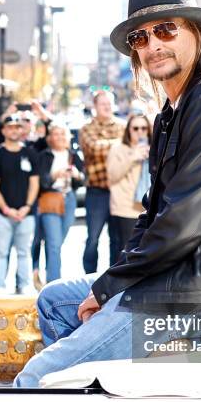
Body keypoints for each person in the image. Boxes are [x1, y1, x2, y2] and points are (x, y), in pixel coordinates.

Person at [14, 0, 201, 388]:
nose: (153, 44)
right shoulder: (174, 110)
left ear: (196, 31)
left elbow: (183, 222)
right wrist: (110, 284)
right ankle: (89, 395)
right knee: (54, 300)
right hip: (176, 280)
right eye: (140, 37)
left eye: (166, 29)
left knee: (37, 377)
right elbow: (152, 216)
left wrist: (107, 291)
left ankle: (72, 387)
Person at [0, 115, 39, 294]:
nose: (14, 130)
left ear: (22, 130)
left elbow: (34, 183)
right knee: (0, 251)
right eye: (10, 127)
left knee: (24, 251)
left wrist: (27, 206)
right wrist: (6, 209)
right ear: (3, 131)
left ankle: (24, 284)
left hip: (26, 213)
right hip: (2, 214)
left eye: (17, 127)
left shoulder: (30, 154)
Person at [79, 91, 125, 273]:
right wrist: (120, 145)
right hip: (97, 192)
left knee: (118, 239)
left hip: (120, 192)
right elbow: (93, 149)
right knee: (92, 239)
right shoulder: (86, 128)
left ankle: (112, 281)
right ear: (95, 106)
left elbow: (134, 148)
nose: (106, 106)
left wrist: (108, 145)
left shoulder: (124, 126)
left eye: (109, 103)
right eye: (102, 103)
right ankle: (89, 278)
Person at [37, 123, 84, 283]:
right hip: (51, 199)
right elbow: (41, 182)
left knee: (57, 242)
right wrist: (55, 175)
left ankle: (48, 271)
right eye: (56, 134)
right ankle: (53, 282)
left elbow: (83, 179)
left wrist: (77, 175)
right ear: (50, 138)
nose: (59, 137)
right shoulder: (44, 155)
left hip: (69, 199)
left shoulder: (73, 155)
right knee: (54, 243)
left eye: (63, 134)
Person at [107, 114, 152, 258]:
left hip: (147, 209)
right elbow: (112, 177)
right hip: (125, 209)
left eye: (144, 128)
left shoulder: (153, 148)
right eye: (135, 128)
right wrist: (133, 157)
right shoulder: (118, 148)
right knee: (123, 254)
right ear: (129, 130)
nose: (140, 132)